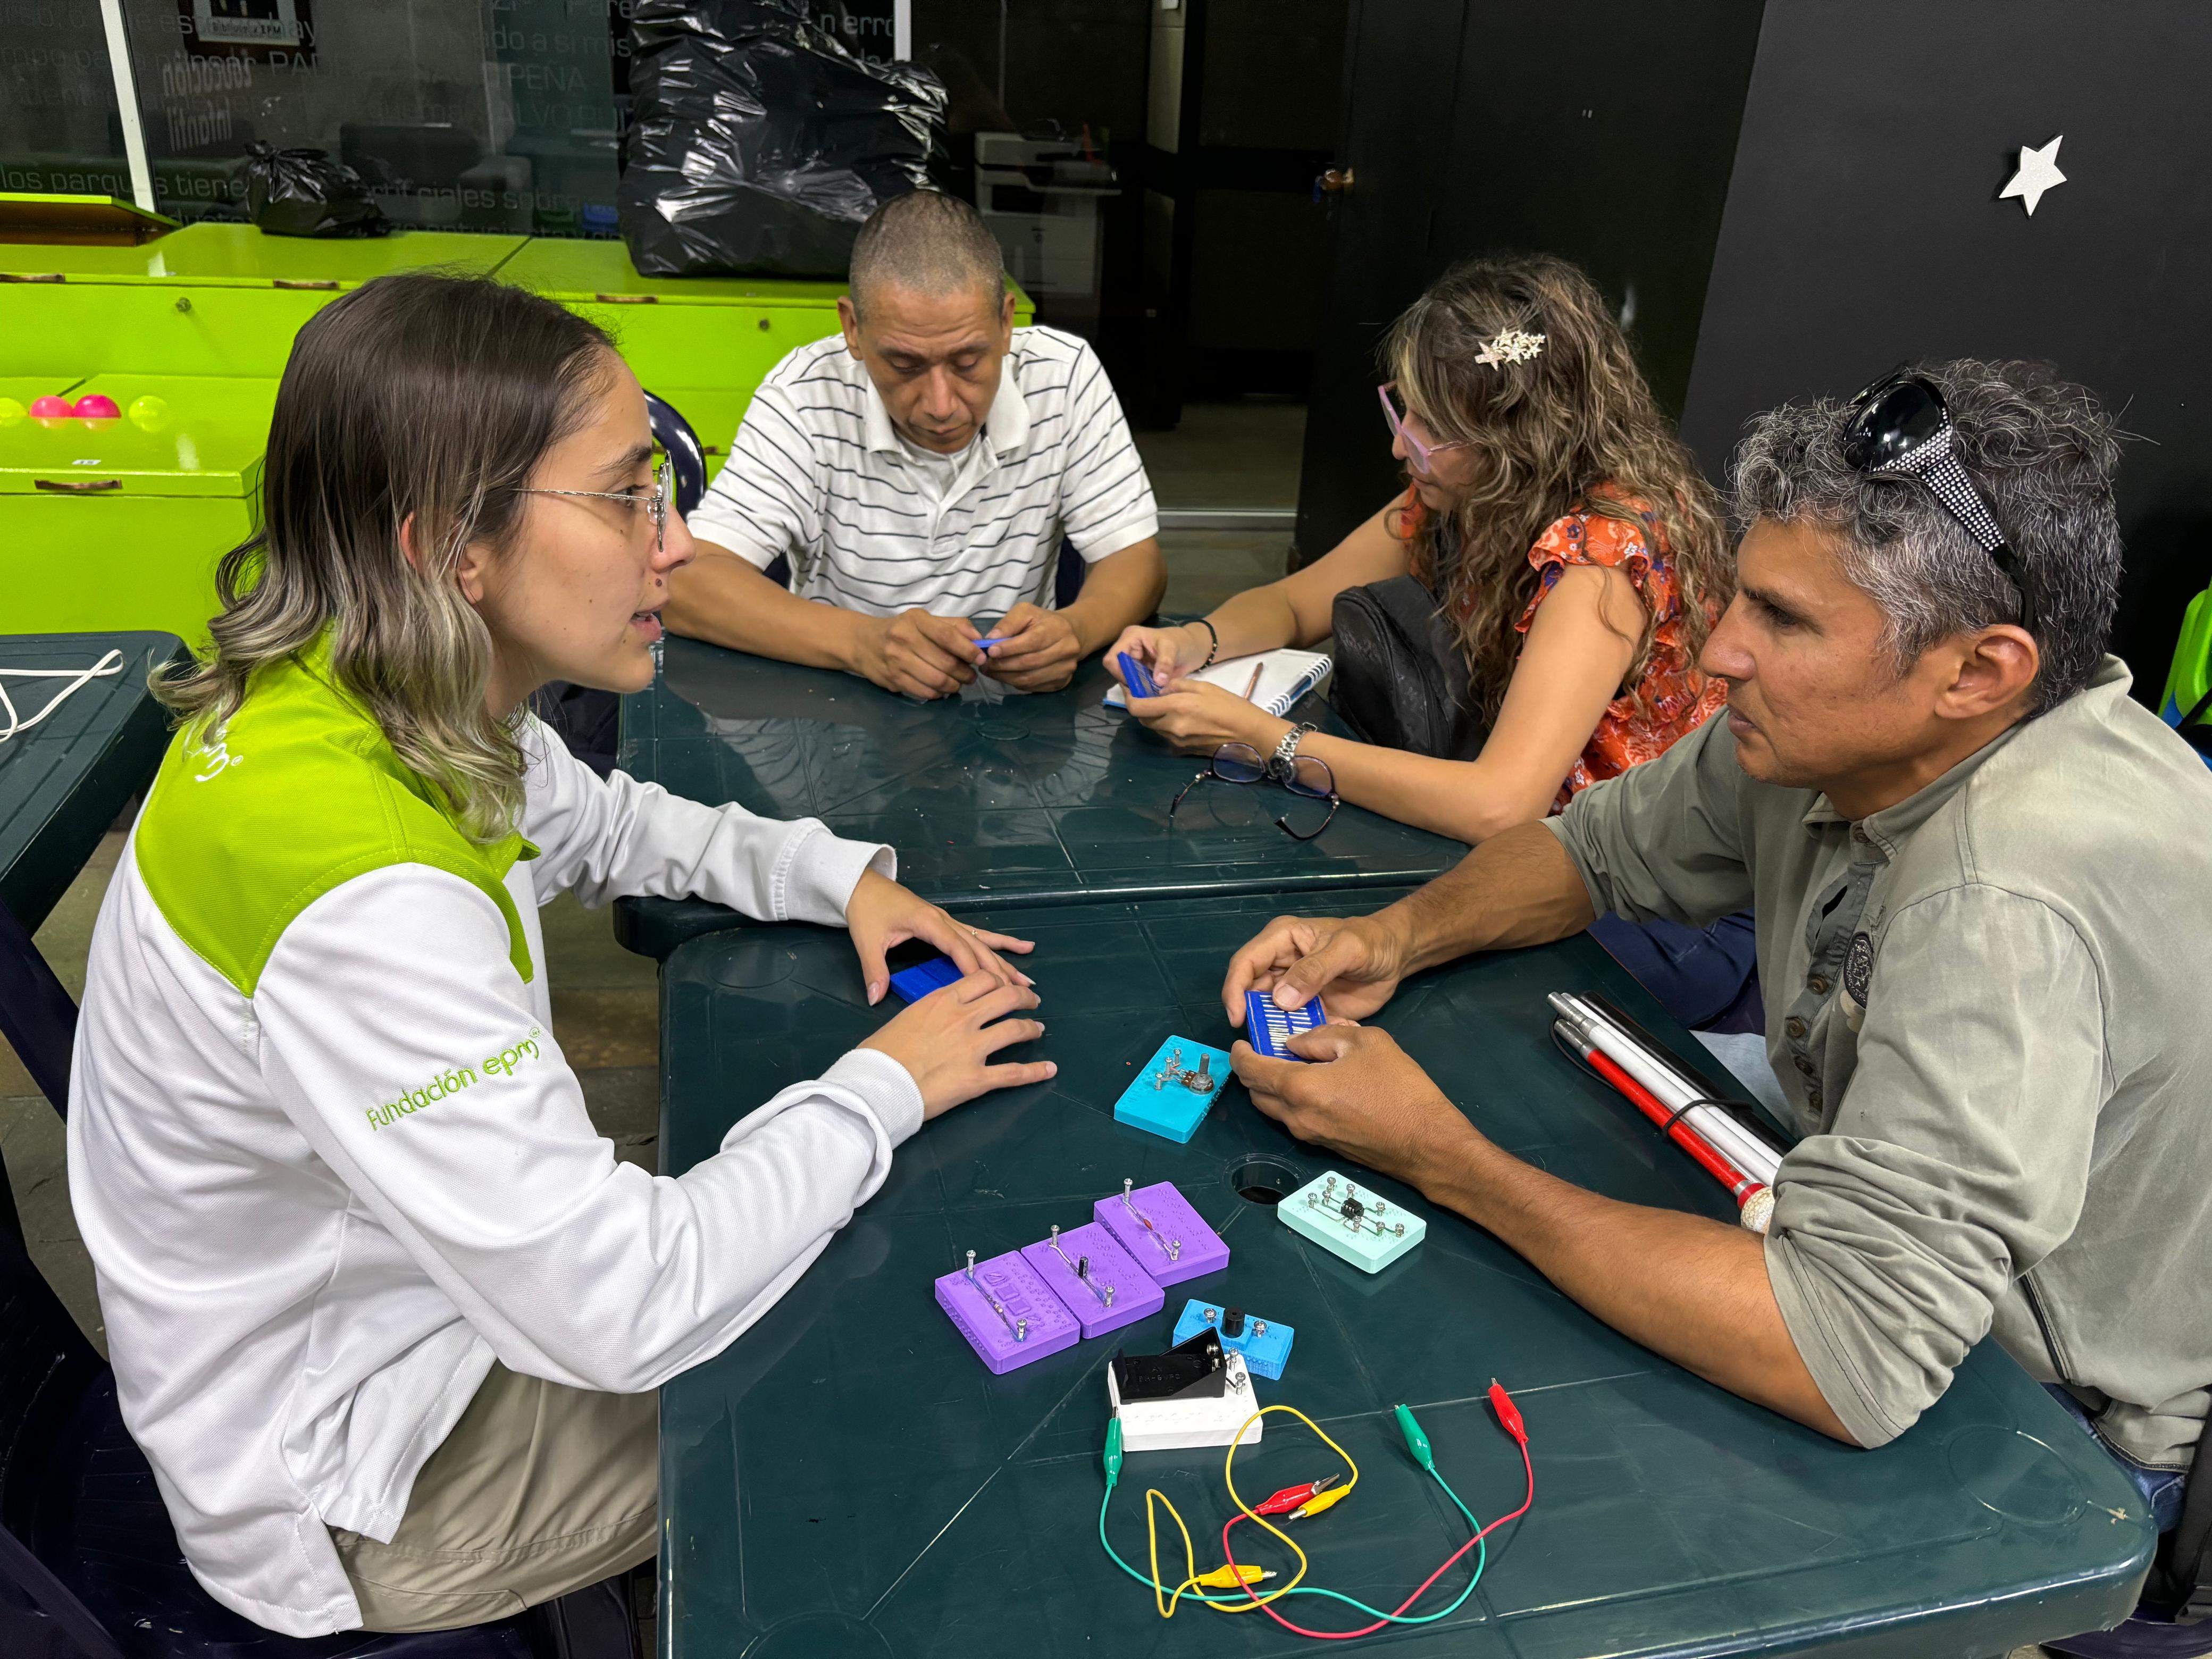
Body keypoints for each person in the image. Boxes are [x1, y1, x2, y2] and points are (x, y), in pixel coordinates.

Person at [66, 274, 1055, 1638]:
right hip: (367, 1473)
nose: (678, 543)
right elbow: (624, 1304)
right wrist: (885, 1078)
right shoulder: (357, 890)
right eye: (628, 496)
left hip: (416, 1314)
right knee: (899, 1369)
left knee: (824, 1236)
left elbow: (607, 822)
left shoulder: (385, 682)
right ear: (450, 549)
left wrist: (842, 878)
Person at [1218, 359, 2212, 1650]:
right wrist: (1391, 934)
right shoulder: (1849, 731)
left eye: (1784, 620)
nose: (1718, 649)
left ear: (1980, 669)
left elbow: (1849, 1355)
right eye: (1741, 590)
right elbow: (1589, 849)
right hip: (1900, 1278)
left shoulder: (2005, 898)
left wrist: (1438, 1153)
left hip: (2062, 1434)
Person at [1109, 253, 1753, 1026]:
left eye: (1432, 429)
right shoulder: (1472, 495)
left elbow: (1498, 807)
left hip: (1657, 909)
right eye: (1403, 412)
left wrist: (1266, 739)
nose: (1401, 447)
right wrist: (1197, 641)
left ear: (1521, 439)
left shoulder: (1605, 557)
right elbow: (1292, 602)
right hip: (1551, 858)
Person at [665, 189, 1167, 700]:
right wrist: (864, 644)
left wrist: (1076, 630)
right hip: (841, 712)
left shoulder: (1064, 377)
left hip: (1011, 728)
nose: (942, 404)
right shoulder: (804, 396)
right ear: (853, 329)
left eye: (969, 362)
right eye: (905, 366)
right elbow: (685, 586)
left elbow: (1138, 560)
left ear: (1006, 321)